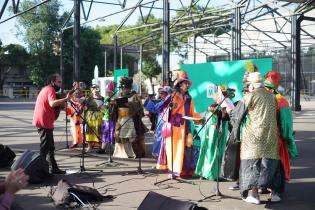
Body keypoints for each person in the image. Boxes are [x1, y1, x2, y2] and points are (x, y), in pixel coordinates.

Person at [239, 72, 282, 204]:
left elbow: (238, 114)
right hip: (270, 135)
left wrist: (229, 112)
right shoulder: (272, 96)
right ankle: (274, 194)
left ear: (252, 85)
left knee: (253, 164)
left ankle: (254, 195)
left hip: (254, 136)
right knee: (271, 164)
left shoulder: (250, 95)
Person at [32, 73, 71, 174]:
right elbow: (52, 103)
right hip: (44, 121)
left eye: (61, 82)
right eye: (59, 82)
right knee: (45, 147)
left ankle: (53, 168)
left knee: (50, 146)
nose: (60, 84)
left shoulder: (45, 89)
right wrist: (66, 99)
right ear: (52, 82)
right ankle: (39, 170)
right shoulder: (50, 89)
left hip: (45, 120)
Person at [165, 71, 201, 177]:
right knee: (175, 147)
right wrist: (171, 109)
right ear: (180, 83)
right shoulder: (173, 95)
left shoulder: (189, 98)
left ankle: (187, 169)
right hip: (175, 127)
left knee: (188, 147)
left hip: (187, 127)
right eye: (186, 83)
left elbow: (193, 113)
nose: (188, 85)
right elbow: (166, 110)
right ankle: (175, 169)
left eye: (188, 83)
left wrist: (199, 119)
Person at [264, 70, 298, 183]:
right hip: (276, 138)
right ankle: (274, 190)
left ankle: (259, 188)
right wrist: (289, 141)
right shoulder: (281, 101)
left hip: (258, 139)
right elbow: (286, 126)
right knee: (277, 164)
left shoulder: (255, 98)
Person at [195, 85, 234, 180]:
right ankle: (205, 173)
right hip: (210, 133)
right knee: (208, 151)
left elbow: (225, 118)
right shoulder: (213, 106)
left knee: (215, 152)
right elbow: (209, 118)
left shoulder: (225, 106)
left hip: (217, 133)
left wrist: (218, 114)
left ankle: (211, 174)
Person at [113, 77, 148, 158]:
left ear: (129, 88)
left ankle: (135, 153)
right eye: (123, 88)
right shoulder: (118, 96)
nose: (125, 90)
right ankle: (122, 153)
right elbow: (115, 109)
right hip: (121, 119)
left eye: (126, 88)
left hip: (131, 119)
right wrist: (113, 104)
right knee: (120, 136)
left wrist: (130, 104)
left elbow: (139, 107)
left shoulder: (135, 96)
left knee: (132, 137)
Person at [144, 86, 172, 159]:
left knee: (166, 137)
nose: (161, 95)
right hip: (161, 121)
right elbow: (153, 109)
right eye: (161, 93)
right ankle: (157, 153)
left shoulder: (169, 101)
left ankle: (164, 153)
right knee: (159, 136)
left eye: (163, 93)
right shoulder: (161, 102)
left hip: (168, 122)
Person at [97, 81, 117, 154]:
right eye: (106, 91)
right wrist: (101, 108)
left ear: (111, 91)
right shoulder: (106, 98)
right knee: (105, 133)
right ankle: (103, 148)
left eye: (108, 91)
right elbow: (105, 110)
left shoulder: (115, 98)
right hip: (105, 118)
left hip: (112, 118)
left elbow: (114, 109)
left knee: (111, 133)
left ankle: (113, 149)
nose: (107, 92)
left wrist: (108, 106)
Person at [66, 83, 83, 149]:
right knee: (74, 130)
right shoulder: (71, 100)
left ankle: (81, 142)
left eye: (79, 93)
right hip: (73, 117)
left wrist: (79, 113)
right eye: (76, 93)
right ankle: (75, 142)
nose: (77, 94)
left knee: (81, 130)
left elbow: (82, 108)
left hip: (80, 116)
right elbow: (68, 95)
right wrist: (73, 89)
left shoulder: (82, 100)